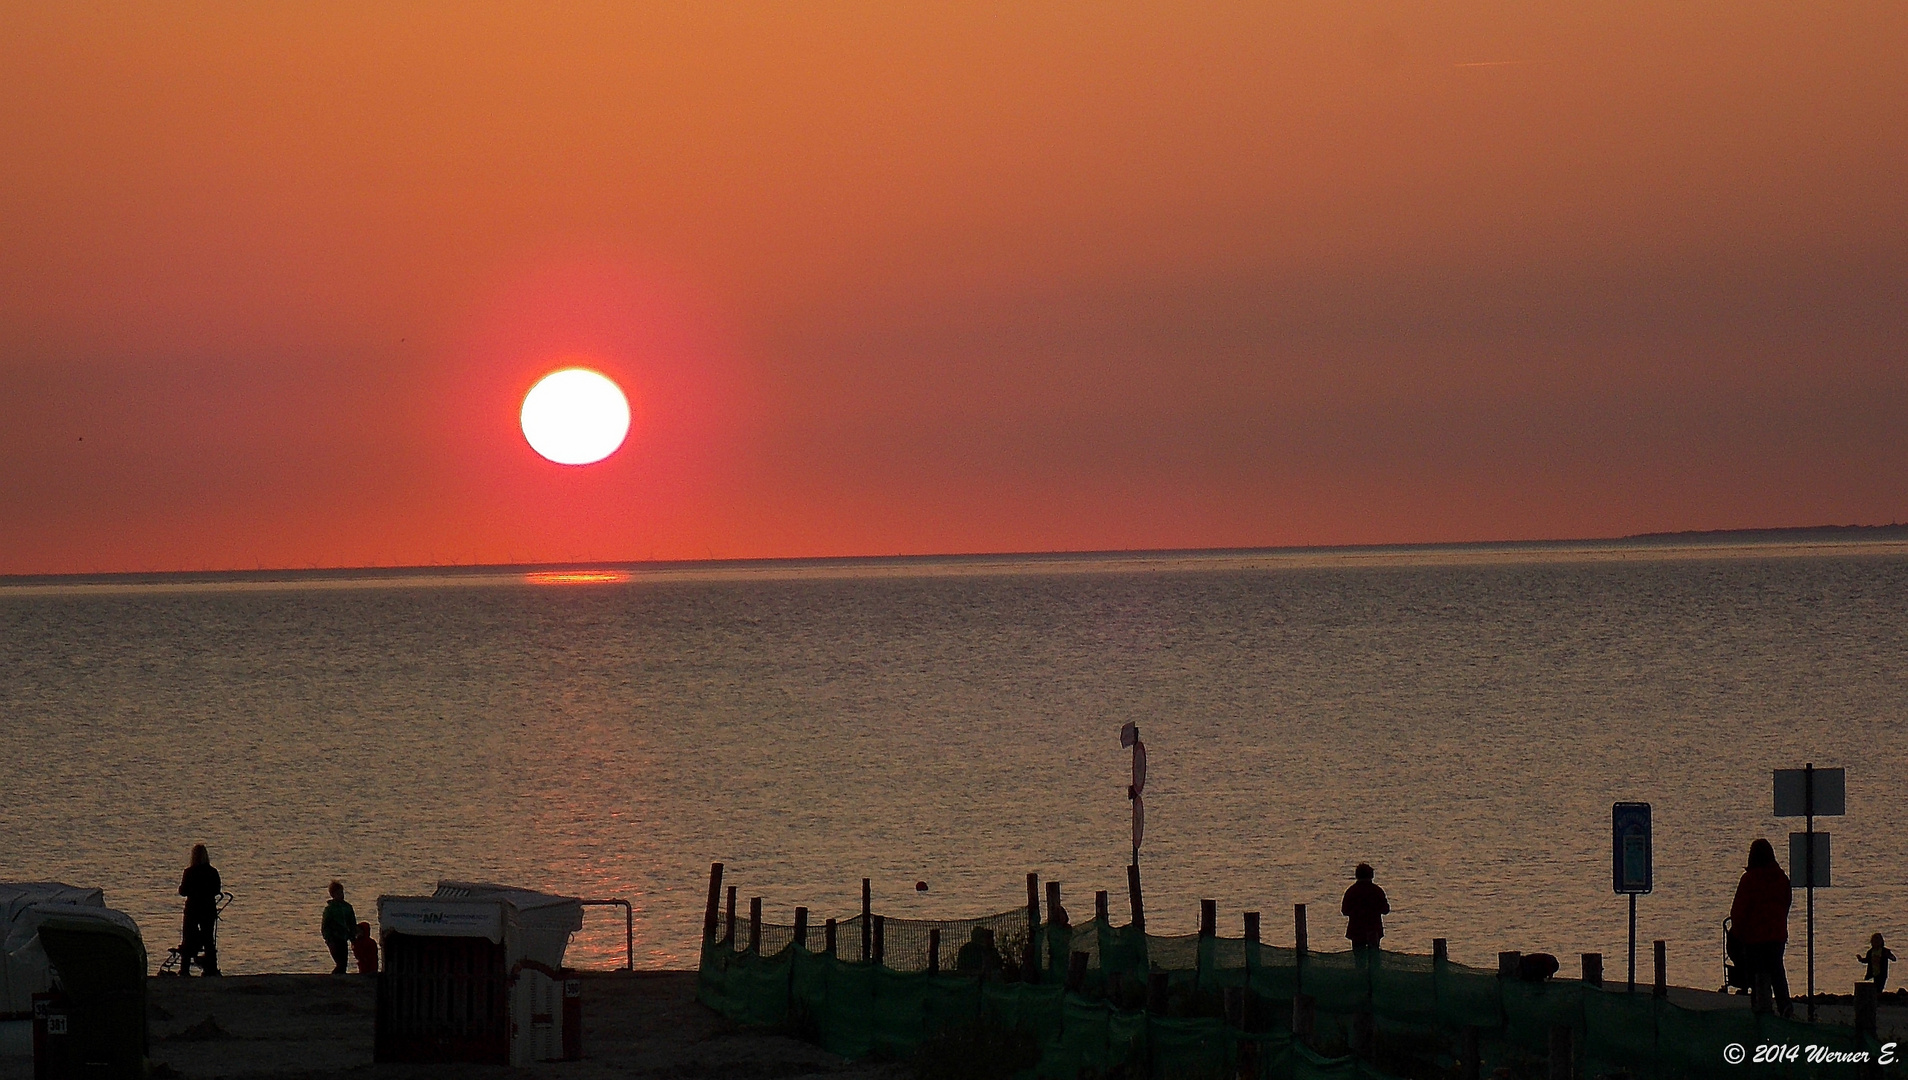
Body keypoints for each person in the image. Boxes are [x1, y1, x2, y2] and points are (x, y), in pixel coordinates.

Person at [1728, 838, 1793, 1018]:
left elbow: (1738, 911)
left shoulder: (1749, 879)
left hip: (1754, 937)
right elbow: (1787, 902)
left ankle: (1761, 1008)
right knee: (1777, 971)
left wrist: (1738, 933)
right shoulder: (1781, 878)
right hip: (1777, 936)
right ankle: (1785, 1005)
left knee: (1757, 973)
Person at [178, 844, 223, 976]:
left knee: (188, 937)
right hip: (208, 908)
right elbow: (216, 890)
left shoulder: (189, 872)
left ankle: (185, 969)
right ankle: (211, 968)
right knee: (208, 938)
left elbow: (183, 891)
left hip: (192, 909)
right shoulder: (213, 872)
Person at [1341, 863, 1390, 951]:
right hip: (1373, 929)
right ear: (1371, 875)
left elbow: (1345, 911)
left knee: (1359, 960)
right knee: (1374, 957)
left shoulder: (1351, 891)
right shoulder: (1377, 890)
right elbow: (1385, 910)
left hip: (1356, 930)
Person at [322, 881, 356, 975]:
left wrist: (353, 936)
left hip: (343, 938)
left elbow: (352, 922)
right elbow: (325, 925)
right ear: (333, 895)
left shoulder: (347, 907)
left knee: (343, 963)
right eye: (338, 893)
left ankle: (340, 980)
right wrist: (328, 938)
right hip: (333, 939)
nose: (341, 895)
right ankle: (332, 979)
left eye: (342, 892)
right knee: (340, 963)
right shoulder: (330, 909)